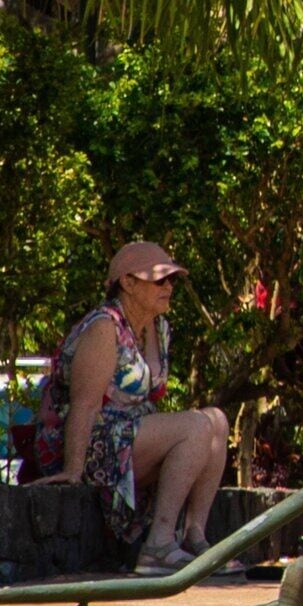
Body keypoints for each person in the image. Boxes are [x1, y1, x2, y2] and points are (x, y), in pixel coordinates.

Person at [33, 241, 230, 573]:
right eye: (159, 280)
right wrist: (72, 469)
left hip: (127, 436)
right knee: (196, 425)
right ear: (128, 283)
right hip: (92, 442)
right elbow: (85, 403)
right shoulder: (104, 326)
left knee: (217, 420)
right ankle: (157, 546)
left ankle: (194, 538)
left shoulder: (158, 328)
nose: (168, 287)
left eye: (172, 280)